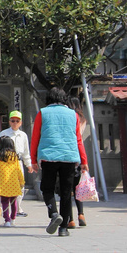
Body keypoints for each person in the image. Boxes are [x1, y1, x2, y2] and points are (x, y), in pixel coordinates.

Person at [31, 87, 88, 237]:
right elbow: (78, 139)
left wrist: (33, 159)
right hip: (69, 157)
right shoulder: (73, 115)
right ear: (64, 99)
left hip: (49, 156)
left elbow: (35, 138)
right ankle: (63, 228)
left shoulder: (42, 113)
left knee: (47, 188)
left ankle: (54, 213)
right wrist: (84, 160)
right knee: (66, 192)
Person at [0, 110, 34, 217]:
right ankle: (0, 208)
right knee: (3, 185)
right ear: (9, 121)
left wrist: (29, 164)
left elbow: (26, 152)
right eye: (13, 121)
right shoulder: (4, 134)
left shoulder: (23, 135)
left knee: (20, 186)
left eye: (17, 121)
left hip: (18, 162)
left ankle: (17, 208)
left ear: (21, 122)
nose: (15, 123)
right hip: (5, 163)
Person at [68, 97, 88, 228]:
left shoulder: (69, 117)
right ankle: (81, 214)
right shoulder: (83, 119)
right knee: (78, 188)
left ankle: (70, 219)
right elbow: (80, 139)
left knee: (67, 190)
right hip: (79, 155)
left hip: (68, 153)